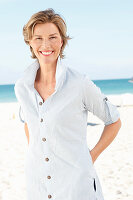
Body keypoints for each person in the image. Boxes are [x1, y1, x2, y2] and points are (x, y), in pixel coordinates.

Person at [14, 8, 121, 200]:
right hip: (37, 185)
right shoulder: (22, 86)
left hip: (76, 186)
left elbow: (113, 121)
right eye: (38, 38)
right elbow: (28, 124)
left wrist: (91, 157)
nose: (46, 44)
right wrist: (37, 155)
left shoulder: (79, 83)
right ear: (30, 42)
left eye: (52, 37)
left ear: (62, 41)